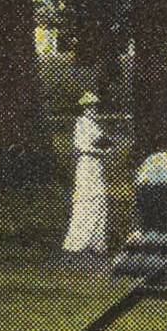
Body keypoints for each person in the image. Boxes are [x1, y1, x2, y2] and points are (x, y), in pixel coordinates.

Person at [61, 90, 114, 261]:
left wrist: (107, 147)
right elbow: (80, 146)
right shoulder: (81, 123)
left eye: (94, 107)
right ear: (83, 108)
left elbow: (105, 143)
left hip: (96, 166)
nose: (92, 109)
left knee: (99, 200)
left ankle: (96, 244)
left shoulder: (95, 125)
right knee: (85, 200)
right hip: (86, 165)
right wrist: (98, 149)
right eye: (89, 107)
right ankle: (77, 244)